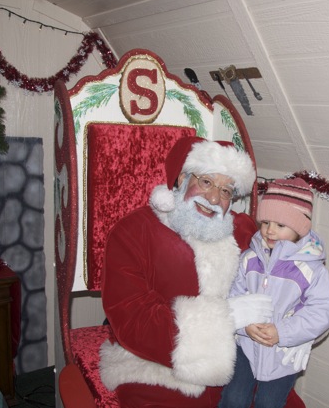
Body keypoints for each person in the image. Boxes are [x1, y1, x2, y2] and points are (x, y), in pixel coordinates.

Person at [98, 137, 305, 408]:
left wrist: (296, 330)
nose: (214, 198)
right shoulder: (133, 232)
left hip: (243, 363)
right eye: (206, 182)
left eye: (226, 191)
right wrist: (226, 319)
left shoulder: (244, 232)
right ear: (182, 177)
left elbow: (289, 277)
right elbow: (133, 320)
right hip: (158, 368)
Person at [219, 178, 329, 408]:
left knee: (268, 403)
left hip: (284, 353)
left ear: (299, 228)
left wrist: (283, 332)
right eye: (265, 222)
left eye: (280, 225)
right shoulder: (249, 259)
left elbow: (324, 310)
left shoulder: (310, 269)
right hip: (246, 345)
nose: (269, 230)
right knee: (234, 399)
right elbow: (233, 296)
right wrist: (243, 326)